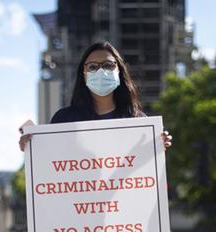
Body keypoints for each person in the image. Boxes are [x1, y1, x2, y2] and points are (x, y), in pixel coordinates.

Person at [19, 41, 172, 150]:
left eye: (108, 65)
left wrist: (157, 147)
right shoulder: (64, 120)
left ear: (119, 71)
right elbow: (50, 162)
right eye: (92, 67)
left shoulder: (139, 122)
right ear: (83, 75)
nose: (100, 72)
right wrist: (33, 147)